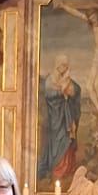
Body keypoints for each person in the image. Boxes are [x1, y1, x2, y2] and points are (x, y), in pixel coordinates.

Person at [37, 56, 82, 184]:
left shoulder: (66, 79)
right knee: (58, 141)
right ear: (57, 65)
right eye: (63, 65)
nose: (65, 68)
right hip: (55, 117)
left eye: (66, 66)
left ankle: (67, 168)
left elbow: (76, 89)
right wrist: (61, 92)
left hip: (67, 117)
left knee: (68, 139)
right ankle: (57, 168)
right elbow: (48, 95)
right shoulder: (50, 80)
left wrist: (69, 90)